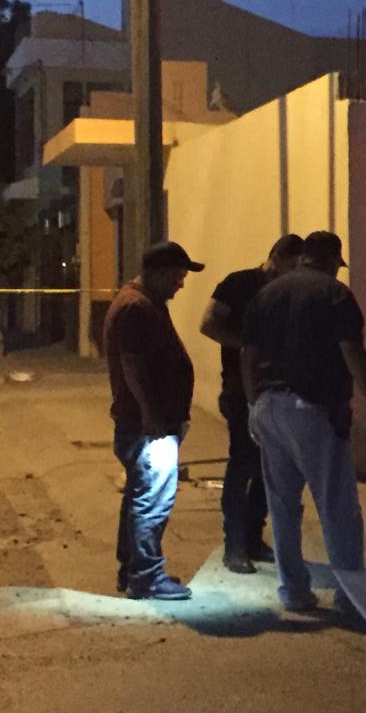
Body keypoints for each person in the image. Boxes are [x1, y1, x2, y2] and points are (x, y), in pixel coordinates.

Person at [242, 231, 366, 612]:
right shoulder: (335, 294)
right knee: (337, 504)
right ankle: (349, 595)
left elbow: (248, 353)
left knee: (283, 505)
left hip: (268, 405)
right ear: (331, 260)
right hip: (313, 409)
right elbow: (351, 350)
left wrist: (253, 402)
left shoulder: (267, 293)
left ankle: (293, 591)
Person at [103, 241, 204, 600]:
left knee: (139, 497)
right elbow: (132, 364)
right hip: (148, 427)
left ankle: (133, 570)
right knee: (152, 500)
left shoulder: (143, 302)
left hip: (148, 422)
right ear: (157, 273)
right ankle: (146, 577)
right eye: (177, 276)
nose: (181, 284)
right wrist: (151, 414)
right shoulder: (136, 307)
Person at [199, 233, 303, 574]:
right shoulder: (238, 284)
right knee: (242, 463)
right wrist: (247, 346)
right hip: (239, 390)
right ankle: (234, 544)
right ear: (276, 257)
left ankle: (253, 536)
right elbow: (208, 324)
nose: (293, 274)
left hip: (277, 392)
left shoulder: (289, 292)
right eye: (290, 266)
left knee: (268, 467)